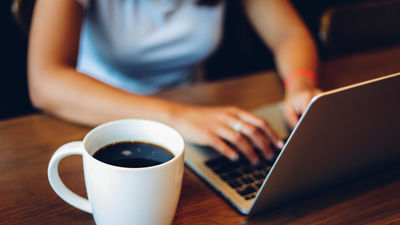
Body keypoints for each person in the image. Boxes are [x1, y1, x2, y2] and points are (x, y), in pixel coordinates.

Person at [28, 0, 321, 165]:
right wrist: (178, 117)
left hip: (199, 114)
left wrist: (300, 83)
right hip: (98, 116)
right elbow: (45, 82)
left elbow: (288, 34)